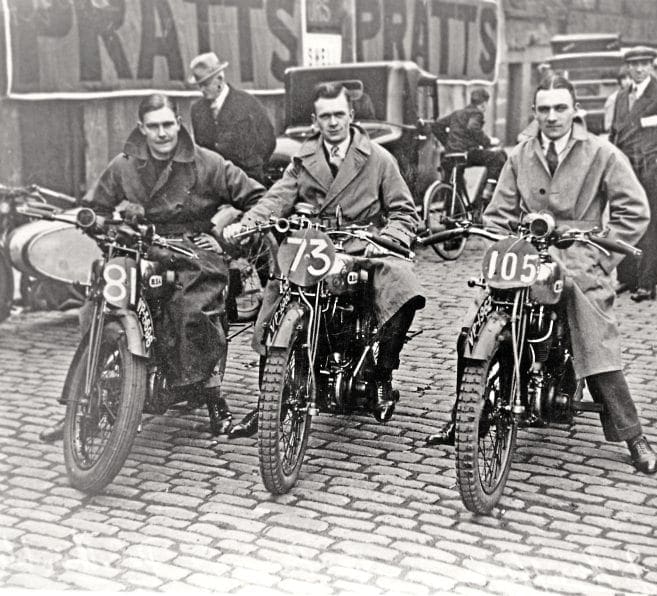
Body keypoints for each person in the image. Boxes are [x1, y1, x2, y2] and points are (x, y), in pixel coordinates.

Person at [425, 75, 657, 475]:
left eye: (560, 108)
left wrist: (599, 255)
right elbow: (498, 214)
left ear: (574, 110)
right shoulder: (520, 155)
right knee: (476, 322)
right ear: (534, 112)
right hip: (526, 254)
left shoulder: (602, 153)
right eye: (544, 109)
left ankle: (631, 433)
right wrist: (504, 248)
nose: (552, 117)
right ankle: (464, 413)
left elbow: (634, 211)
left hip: (579, 257)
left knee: (591, 331)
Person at [39, 94, 266, 443]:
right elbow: (95, 207)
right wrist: (107, 224)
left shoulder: (207, 163)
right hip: (138, 245)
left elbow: (256, 199)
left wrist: (222, 236)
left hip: (191, 248)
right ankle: (82, 403)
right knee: (97, 308)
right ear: (142, 128)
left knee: (193, 310)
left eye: (167, 124)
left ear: (178, 123)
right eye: (153, 126)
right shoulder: (124, 165)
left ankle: (212, 397)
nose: (162, 133)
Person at [223, 82, 426, 437]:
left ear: (351, 115)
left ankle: (382, 374)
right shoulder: (302, 161)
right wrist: (248, 224)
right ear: (315, 120)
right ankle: (268, 399)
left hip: (362, 245)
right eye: (324, 116)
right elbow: (276, 200)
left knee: (403, 285)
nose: (332, 122)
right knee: (277, 299)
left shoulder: (378, 158)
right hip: (313, 244)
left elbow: (404, 212)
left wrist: (391, 238)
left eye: (338, 114)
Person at [609, 46, 657, 302]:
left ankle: (648, 283)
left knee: (649, 227)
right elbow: (615, 133)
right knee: (622, 223)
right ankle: (626, 277)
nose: (639, 69)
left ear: (651, 66)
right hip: (623, 170)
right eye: (634, 64)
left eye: (644, 64)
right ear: (627, 67)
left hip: (648, 169)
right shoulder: (621, 96)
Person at [189, 52, 276, 184]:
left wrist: (253, 168)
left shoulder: (248, 103)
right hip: (214, 184)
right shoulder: (197, 110)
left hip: (248, 182)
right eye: (199, 85)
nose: (202, 90)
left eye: (206, 84)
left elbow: (268, 140)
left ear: (219, 79)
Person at [434, 88, 506, 198]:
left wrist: (448, 143)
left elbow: (436, 126)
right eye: (486, 104)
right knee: (497, 157)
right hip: (466, 154)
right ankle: (488, 190)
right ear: (483, 104)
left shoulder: (457, 113)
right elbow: (473, 128)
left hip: (450, 155)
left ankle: (453, 211)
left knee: (454, 186)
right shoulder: (477, 113)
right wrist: (488, 142)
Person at [604, 66, 633, 132]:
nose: (628, 82)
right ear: (619, 81)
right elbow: (608, 126)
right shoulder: (613, 99)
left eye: (631, 78)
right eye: (624, 79)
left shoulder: (638, 96)